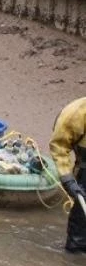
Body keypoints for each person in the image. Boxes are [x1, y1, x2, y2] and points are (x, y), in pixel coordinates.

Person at [49, 97, 86, 253]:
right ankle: (74, 261)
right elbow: (59, 147)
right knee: (81, 223)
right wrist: (68, 179)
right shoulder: (75, 113)